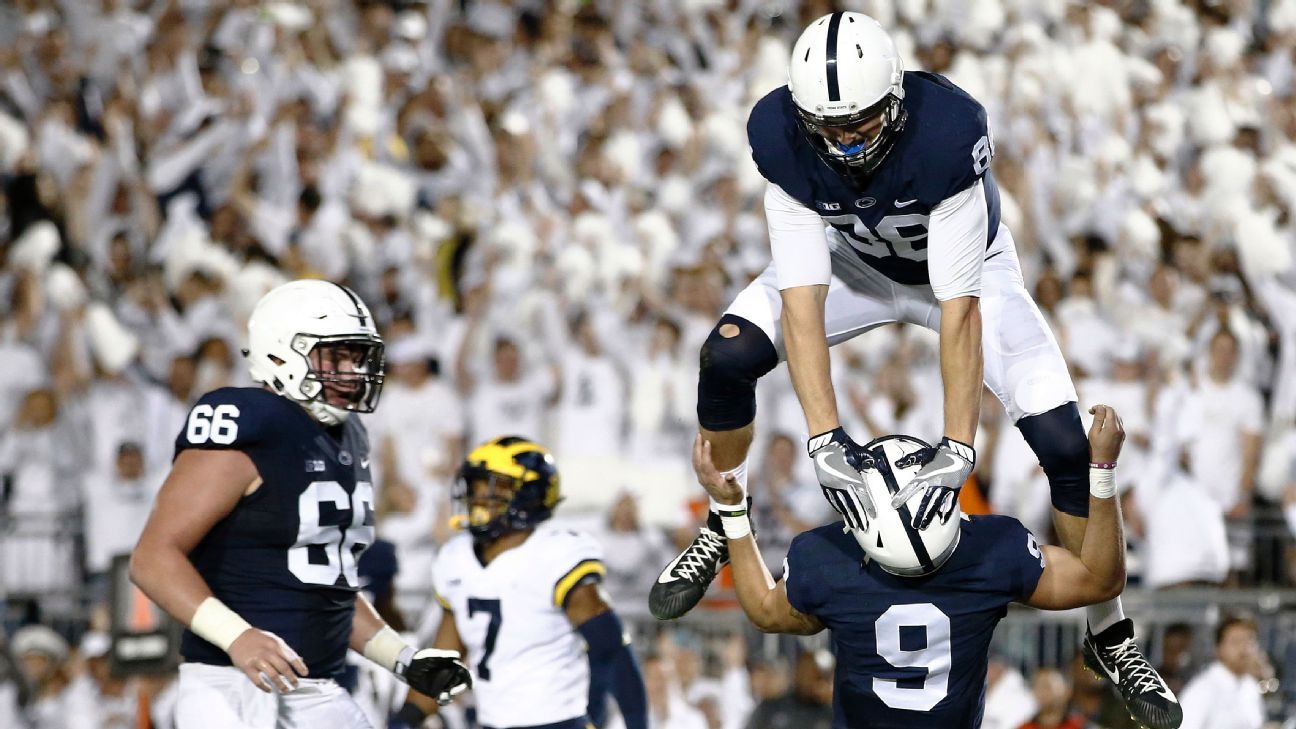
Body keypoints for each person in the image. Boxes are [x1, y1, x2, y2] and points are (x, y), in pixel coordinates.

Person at [649, 11, 1179, 728]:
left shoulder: (945, 135)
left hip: (963, 280)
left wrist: (958, 449)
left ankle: (1108, 635)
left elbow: (958, 311)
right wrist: (824, 439)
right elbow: (802, 307)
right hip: (851, 270)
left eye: (860, 124)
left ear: (896, 102)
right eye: (828, 128)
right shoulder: (781, 140)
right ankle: (721, 519)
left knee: (1065, 446)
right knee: (727, 355)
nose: (844, 142)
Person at [692, 404, 1168, 729]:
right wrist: (1101, 471)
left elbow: (761, 607)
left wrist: (732, 510)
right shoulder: (991, 547)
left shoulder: (827, 557)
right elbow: (1101, 579)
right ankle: (1113, 644)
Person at [130, 280, 471, 729]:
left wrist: (404, 660)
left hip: (317, 688)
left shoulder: (347, 435)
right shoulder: (246, 425)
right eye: (336, 356)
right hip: (234, 686)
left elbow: (327, 585)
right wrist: (238, 637)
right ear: (279, 353)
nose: (351, 371)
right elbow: (153, 557)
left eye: (356, 356)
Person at [397, 436, 648, 729]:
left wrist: (637, 723)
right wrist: (404, 720)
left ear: (530, 495)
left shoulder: (555, 554)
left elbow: (612, 650)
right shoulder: (456, 559)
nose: (479, 498)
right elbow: (445, 663)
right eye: (477, 487)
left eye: (495, 488)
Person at [1178, 614, 1270, 729]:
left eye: (1249, 641)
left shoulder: (1250, 687)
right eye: (1236, 642)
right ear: (1218, 648)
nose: (1243, 649)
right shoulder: (1203, 689)